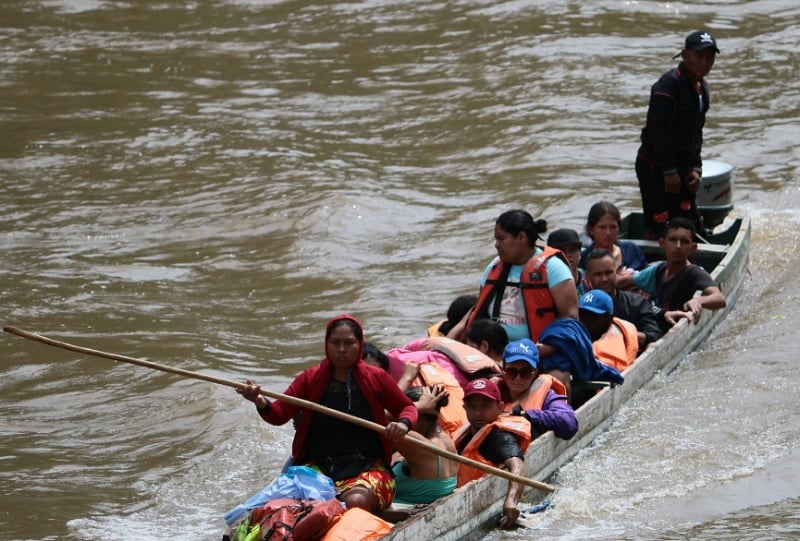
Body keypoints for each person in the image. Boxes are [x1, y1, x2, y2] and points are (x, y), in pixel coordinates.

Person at [237, 314, 418, 514]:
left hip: (367, 470)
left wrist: (403, 424)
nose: (341, 349)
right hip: (317, 470)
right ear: (326, 344)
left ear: (360, 344)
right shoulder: (309, 378)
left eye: (349, 343)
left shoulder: (377, 378)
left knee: (356, 502)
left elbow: (407, 408)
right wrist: (259, 400)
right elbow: (278, 414)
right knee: (276, 509)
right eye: (335, 343)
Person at [636, 30, 720, 239]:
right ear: (684, 54)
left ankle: (687, 263)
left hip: (683, 166)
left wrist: (696, 167)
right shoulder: (667, 87)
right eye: (699, 56)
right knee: (658, 226)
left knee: (686, 222)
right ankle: (656, 265)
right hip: (656, 168)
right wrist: (669, 170)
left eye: (709, 57)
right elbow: (658, 131)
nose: (704, 62)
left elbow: (696, 132)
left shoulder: (703, 88)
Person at [464, 210, 578, 343]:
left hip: (539, 352)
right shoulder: (493, 268)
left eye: (501, 239)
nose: (497, 245)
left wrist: (545, 349)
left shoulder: (554, 269)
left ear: (522, 237)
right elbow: (480, 309)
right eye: (496, 239)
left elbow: (571, 321)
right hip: (495, 350)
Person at [618, 217, 726, 330]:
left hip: (669, 327)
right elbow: (623, 282)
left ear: (693, 247)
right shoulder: (659, 269)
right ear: (662, 243)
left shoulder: (694, 273)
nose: (678, 246)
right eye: (672, 240)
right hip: (657, 323)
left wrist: (698, 300)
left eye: (684, 242)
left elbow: (719, 298)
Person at [453, 378, 530, 528]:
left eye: (485, 406)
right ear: (464, 407)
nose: (478, 413)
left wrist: (511, 500)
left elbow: (517, 466)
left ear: (500, 407)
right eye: (472, 407)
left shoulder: (499, 437)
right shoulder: (465, 433)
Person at [496, 339, 578, 440]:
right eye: (511, 372)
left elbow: (569, 422)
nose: (518, 378)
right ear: (503, 371)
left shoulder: (546, 396)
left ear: (535, 373)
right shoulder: (492, 391)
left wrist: (528, 415)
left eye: (525, 372)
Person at [583, 248, 664, 350]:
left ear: (616, 272)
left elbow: (654, 335)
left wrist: (624, 335)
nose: (604, 279)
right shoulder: (582, 310)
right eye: (598, 274)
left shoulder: (638, 303)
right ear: (587, 277)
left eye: (608, 273)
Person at [391, 386, 459, 505]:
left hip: (403, 516)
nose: (399, 420)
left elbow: (371, 416)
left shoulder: (417, 442)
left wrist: (417, 407)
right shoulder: (444, 437)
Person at [577, 290, 639, 373]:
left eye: (592, 317)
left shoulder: (608, 351)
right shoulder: (620, 324)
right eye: (582, 316)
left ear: (609, 318)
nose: (586, 322)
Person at [578, 201, 648, 274]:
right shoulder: (584, 258)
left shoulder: (631, 249)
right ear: (591, 229)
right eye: (602, 227)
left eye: (613, 227)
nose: (608, 233)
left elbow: (647, 277)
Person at [547, 228, 587, 296]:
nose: (567, 255)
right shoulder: (545, 284)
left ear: (580, 253)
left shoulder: (589, 280)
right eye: (561, 251)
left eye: (572, 249)